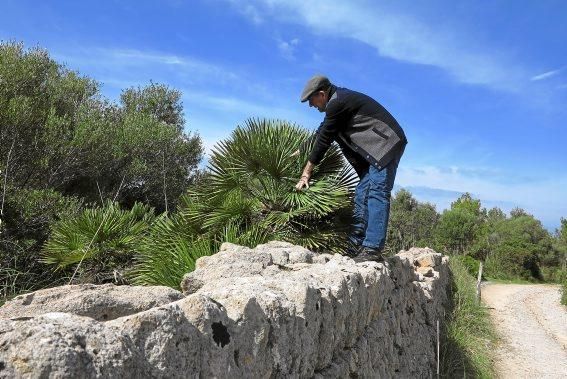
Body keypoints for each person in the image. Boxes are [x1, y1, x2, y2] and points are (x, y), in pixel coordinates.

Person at [295, 75, 407, 262]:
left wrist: (307, 171)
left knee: (377, 192)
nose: (310, 105)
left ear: (322, 94)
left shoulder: (338, 102)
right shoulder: (336, 104)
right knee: (361, 193)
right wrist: (301, 150)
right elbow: (322, 131)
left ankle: (372, 248)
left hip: (385, 144)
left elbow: (324, 140)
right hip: (372, 154)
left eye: (311, 100)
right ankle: (355, 246)